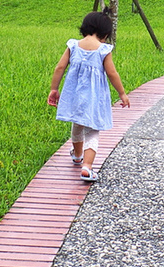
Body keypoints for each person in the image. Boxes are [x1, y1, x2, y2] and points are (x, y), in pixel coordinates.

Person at [48, 11, 130, 183]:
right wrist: (122, 93)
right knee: (92, 130)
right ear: (105, 34)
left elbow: (59, 68)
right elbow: (112, 73)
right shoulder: (103, 50)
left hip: (75, 96)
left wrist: (54, 89)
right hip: (94, 97)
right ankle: (87, 166)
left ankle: (77, 155)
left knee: (77, 124)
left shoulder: (73, 45)